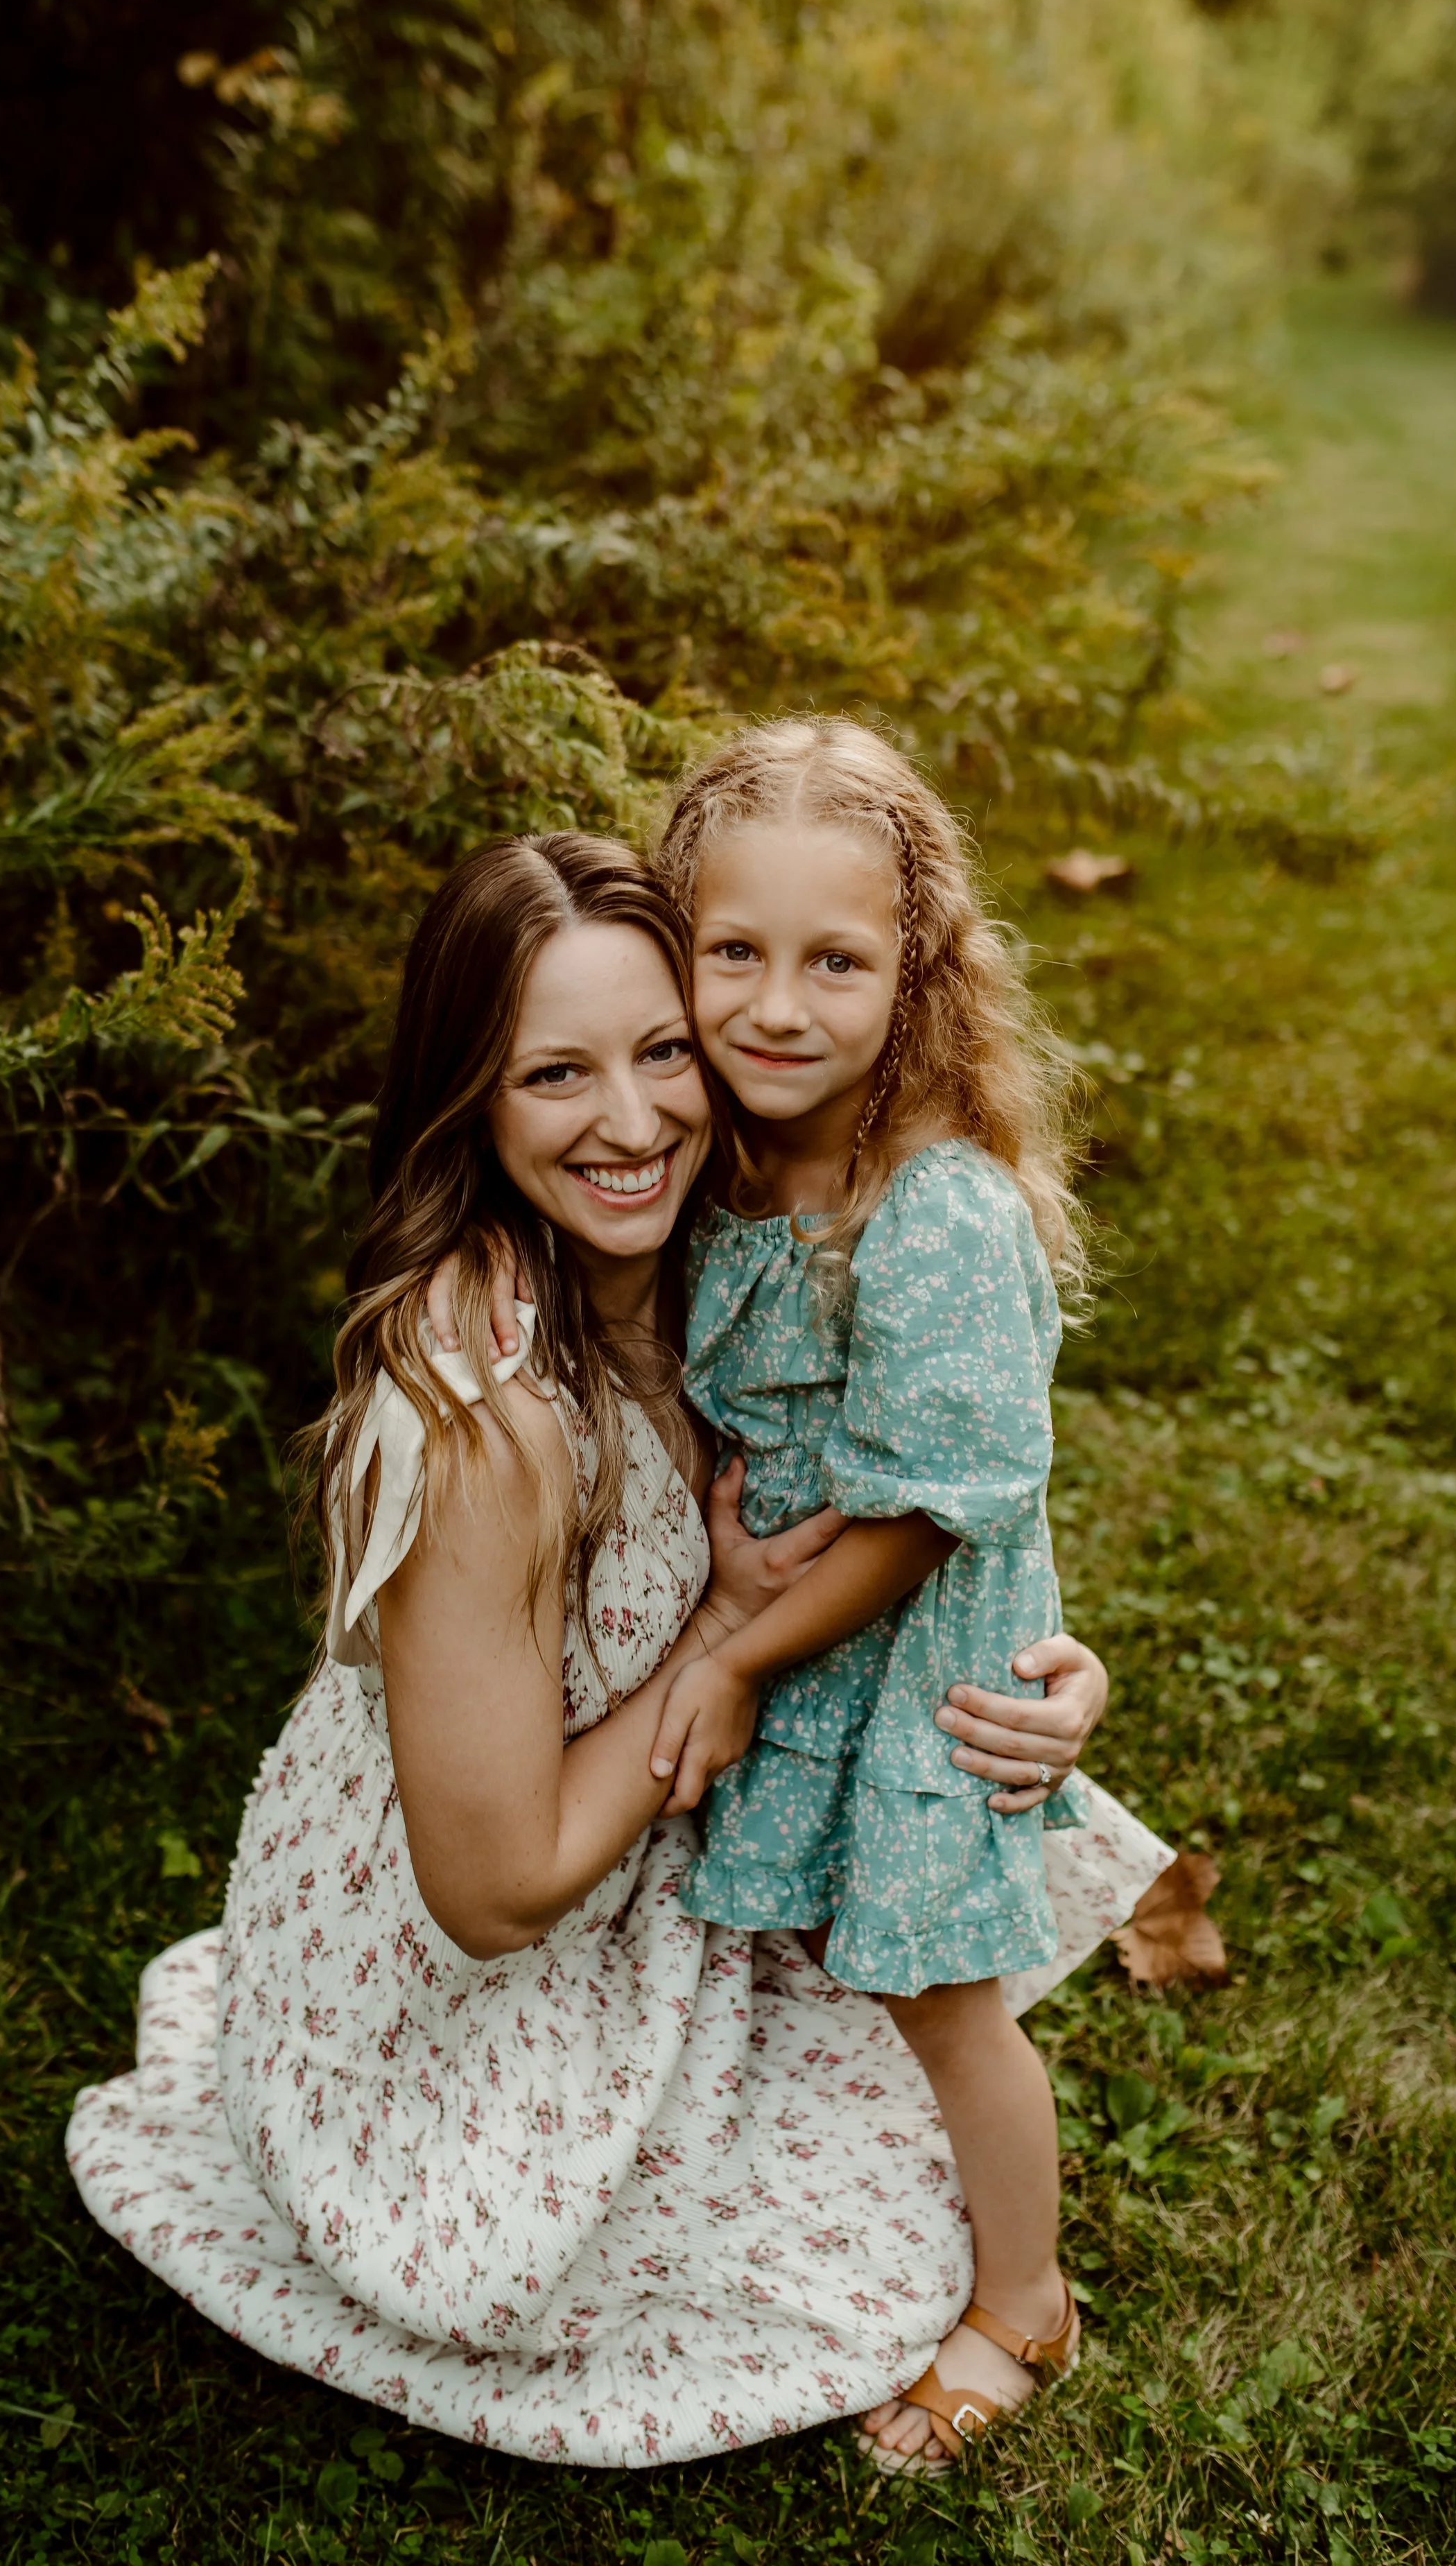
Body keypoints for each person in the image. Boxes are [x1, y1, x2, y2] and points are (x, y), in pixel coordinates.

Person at [67, 831, 1130, 2470]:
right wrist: (714, 1640)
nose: (632, 1122)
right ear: (466, 1104)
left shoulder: (711, 1250)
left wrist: (1048, 1665)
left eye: (659, 1053)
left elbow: (917, 1483)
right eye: (553, 1072)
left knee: (915, 2128)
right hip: (476, 1961)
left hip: (658, 1852)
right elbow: (488, 1895)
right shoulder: (487, 1423)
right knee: (844, 2258)